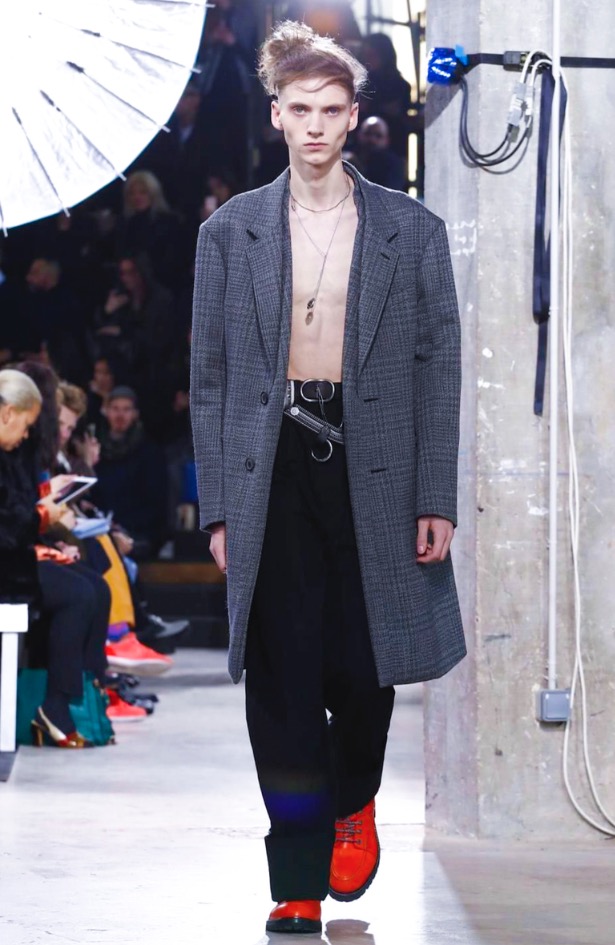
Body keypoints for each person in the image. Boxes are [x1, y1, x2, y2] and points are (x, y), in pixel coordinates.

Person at [190, 21, 465, 935]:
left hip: (371, 460)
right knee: (280, 676)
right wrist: (219, 507)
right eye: (299, 109)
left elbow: (437, 365)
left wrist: (434, 493)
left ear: (354, 117)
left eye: (330, 110)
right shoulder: (229, 232)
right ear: (275, 114)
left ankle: (352, 800)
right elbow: (210, 376)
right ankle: (297, 875)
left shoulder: (410, 231)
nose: (314, 125)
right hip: (269, 467)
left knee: (363, 661)